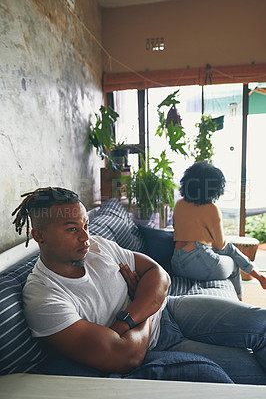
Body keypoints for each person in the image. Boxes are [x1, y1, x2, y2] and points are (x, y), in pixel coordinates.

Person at [12, 187, 266, 382]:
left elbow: (159, 274)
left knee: (262, 323)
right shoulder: (43, 297)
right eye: (71, 229)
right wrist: (144, 305)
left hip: (172, 309)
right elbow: (125, 357)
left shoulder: (98, 246)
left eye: (86, 225)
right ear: (39, 235)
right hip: (155, 346)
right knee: (254, 373)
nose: (85, 237)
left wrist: (126, 320)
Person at [171, 161, 266, 300]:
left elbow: (178, 230)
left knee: (227, 250)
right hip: (199, 260)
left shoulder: (179, 204)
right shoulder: (211, 208)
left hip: (177, 262)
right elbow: (220, 245)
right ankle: (242, 298)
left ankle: (258, 277)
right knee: (233, 261)